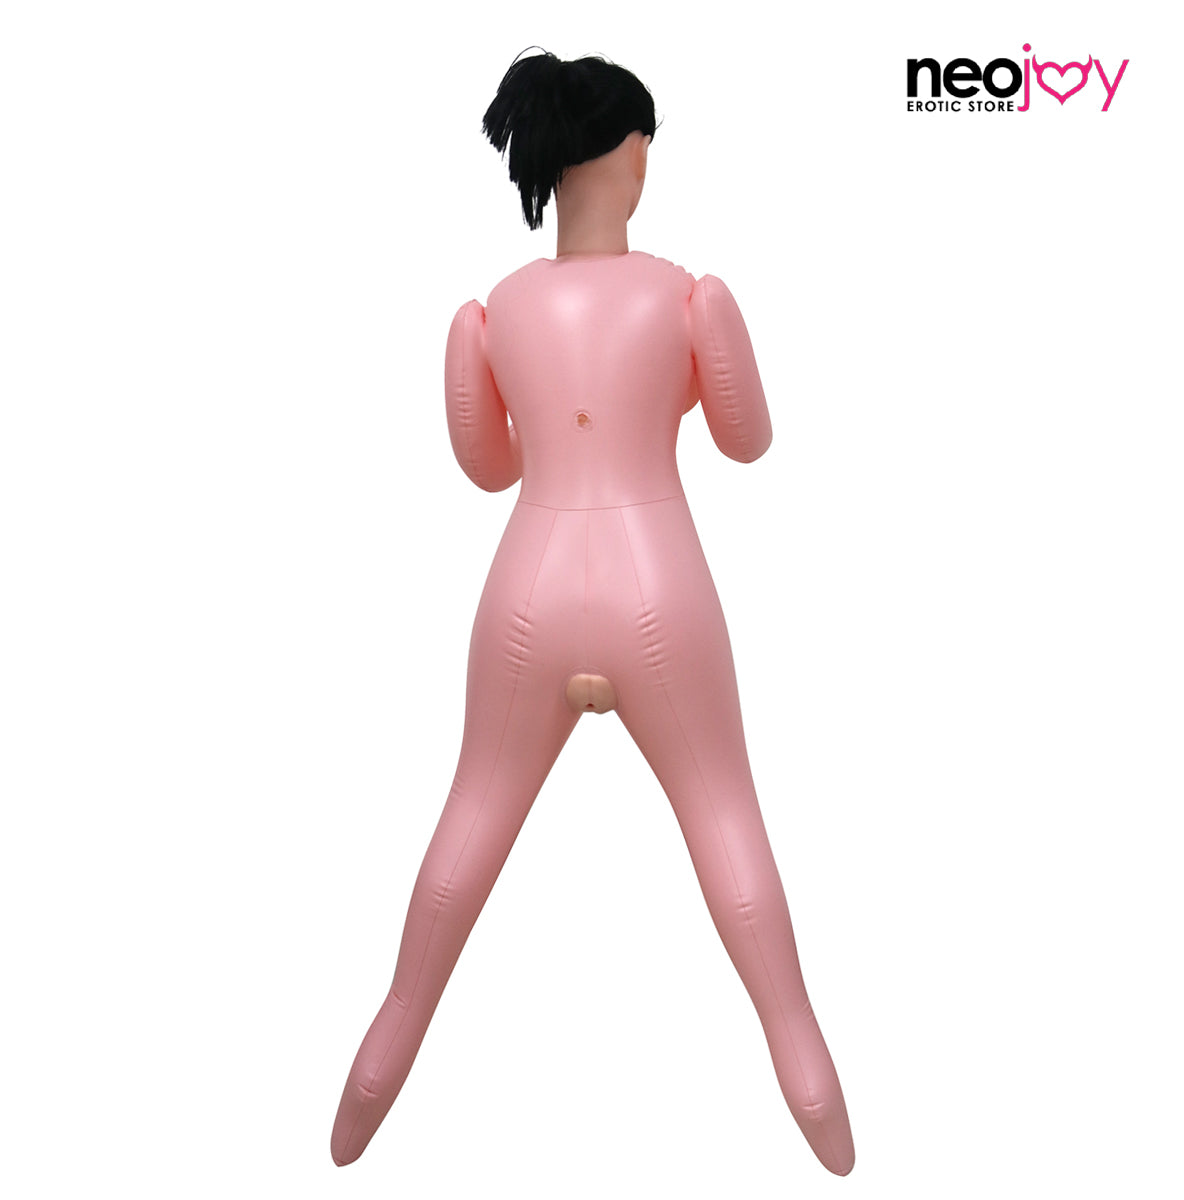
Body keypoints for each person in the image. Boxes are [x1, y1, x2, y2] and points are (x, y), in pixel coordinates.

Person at [331, 50, 855, 1176]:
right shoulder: (688, 295)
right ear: (630, 157)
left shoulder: (491, 313)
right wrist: (700, 349)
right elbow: (748, 439)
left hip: (527, 586)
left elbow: (488, 467)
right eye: (647, 145)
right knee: (726, 817)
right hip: (658, 584)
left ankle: (374, 1071)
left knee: (469, 820)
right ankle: (811, 1080)